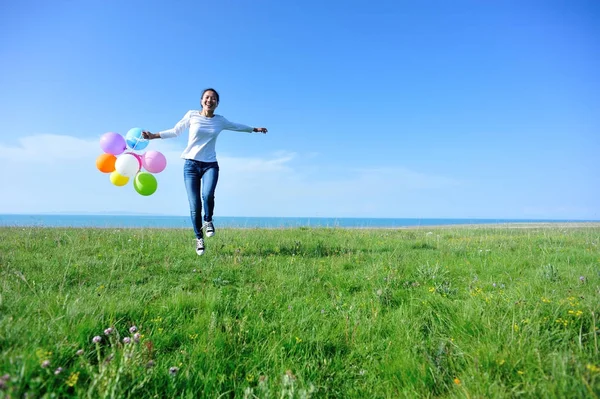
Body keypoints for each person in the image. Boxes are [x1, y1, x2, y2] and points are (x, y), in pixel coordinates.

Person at [142, 88, 268, 255]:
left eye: (214, 98)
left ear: (217, 103)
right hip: (191, 165)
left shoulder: (220, 121)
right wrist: (153, 136)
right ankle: (199, 238)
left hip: (210, 165)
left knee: (207, 195)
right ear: (201, 101)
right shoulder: (192, 115)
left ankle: (208, 220)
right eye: (207, 97)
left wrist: (254, 129)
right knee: (195, 205)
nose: (210, 100)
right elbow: (175, 131)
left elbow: (236, 126)